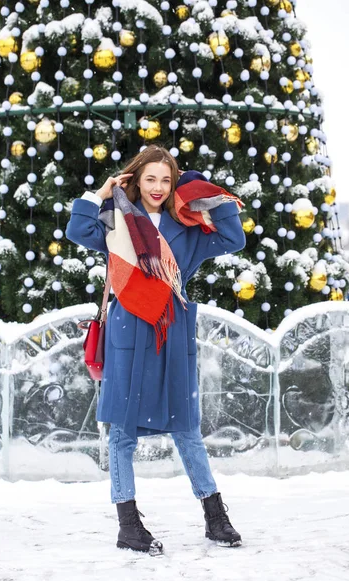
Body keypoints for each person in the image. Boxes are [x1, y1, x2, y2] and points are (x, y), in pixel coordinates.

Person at [66, 145, 246, 556]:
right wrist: (101, 193)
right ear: (136, 179)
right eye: (150, 179)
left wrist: (203, 192)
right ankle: (128, 525)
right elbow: (78, 231)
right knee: (123, 430)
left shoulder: (187, 226)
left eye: (166, 180)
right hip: (129, 328)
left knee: (186, 425)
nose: (158, 187)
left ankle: (215, 518)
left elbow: (233, 239)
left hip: (173, 328)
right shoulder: (118, 219)